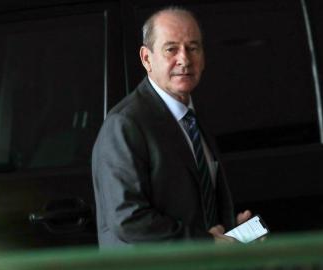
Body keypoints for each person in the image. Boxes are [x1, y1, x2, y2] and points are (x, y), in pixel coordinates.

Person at [92, 6, 251, 247]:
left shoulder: (192, 117)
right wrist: (207, 243)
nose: (185, 59)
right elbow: (129, 219)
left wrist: (235, 232)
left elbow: (196, 207)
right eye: (171, 49)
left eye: (193, 48)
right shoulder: (125, 124)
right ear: (147, 59)